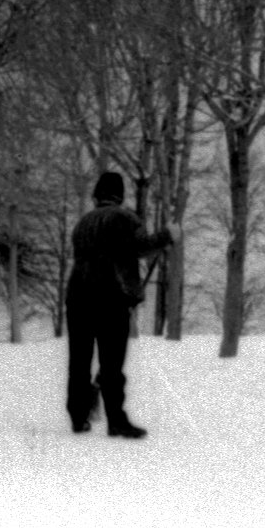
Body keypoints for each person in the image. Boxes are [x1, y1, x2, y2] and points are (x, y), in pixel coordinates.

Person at [65, 170, 179, 439]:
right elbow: (140, 247)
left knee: (79, 361)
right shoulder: (123, 218)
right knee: (112, 362)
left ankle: (78, 417)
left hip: (78, 297)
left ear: (97, 195)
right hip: (111, 297)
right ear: (119, 195)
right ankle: (116, 419)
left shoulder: (82, 224)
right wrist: (168, 236)